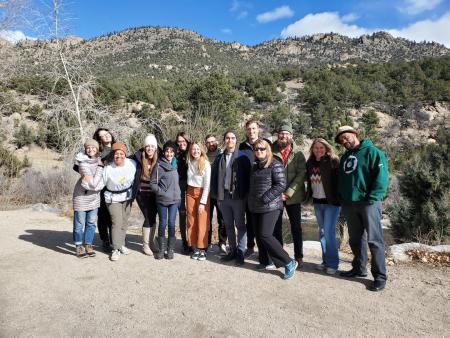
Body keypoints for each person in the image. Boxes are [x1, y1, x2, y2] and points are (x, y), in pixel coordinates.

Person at [335, 126, 389, 292]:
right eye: (341, 140)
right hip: (350, 204)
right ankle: (359, 268)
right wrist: (342, 197)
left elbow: (381, 178)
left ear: (355, 134)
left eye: (346, 137)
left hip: (369, 203)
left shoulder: (373, 152)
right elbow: (342, 180)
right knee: (356, 239)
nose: (344, 141)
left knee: (374, 240)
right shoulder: (345, 157)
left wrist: (372, 197)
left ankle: (380, 277)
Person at [248, 139, 298, 280]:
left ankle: (289, 262)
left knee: (265, 235)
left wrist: (265, 198)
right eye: (257, 149)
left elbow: (281, 184)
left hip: (271, 206)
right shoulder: (255, 166)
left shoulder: (275, 164)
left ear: (268, 150)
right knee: (259, 235)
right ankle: (264, 261)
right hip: (255, 206)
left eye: (262, 149)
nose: (259, 151)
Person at [211, 129, 251, 266]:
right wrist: (216, 196)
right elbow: (214, 178)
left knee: (240, 225)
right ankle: (232, 250)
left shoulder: (243, 157)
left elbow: (248, 179)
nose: (230, 140)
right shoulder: (219, 158)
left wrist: (244, 195)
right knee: (228, 225)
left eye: (233, 138)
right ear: (224, 140)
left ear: (236, 140)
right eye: (227, 138)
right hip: (224, 197)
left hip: (238, 197)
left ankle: (240, 252)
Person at [272, 121, 306, 268]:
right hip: (275, 196)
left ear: (291, 136)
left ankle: (299, 256)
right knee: (276, 226)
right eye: (281, 133)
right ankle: (280, 256)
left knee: (296, 227)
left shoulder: (298, 153)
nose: (284, 136)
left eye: (287, 133)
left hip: (293, 197)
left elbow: (301, 175)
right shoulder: (271, 150)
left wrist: (288, 193)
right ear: (278, 135)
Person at [306, 138, 341, 275]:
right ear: (312, 149)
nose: (318, 150)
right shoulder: (310, 162)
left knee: (329, 232)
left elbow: (339, 182)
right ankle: (326, 261)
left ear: (326, 148)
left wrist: (339, 199)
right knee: (322, 232)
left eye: (321, 147)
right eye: (316, 147)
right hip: (317, 202)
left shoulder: (333, 161)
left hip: (331, 203)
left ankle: (333, 263)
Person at [102, 142, 137, 261]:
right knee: (116, 222)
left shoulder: (132, 164)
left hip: (127, 197)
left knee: (124, 221)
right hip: (113, 198)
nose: (119, 156)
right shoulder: (108, 168)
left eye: (122, 153)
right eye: (116, 153)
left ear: (125, 154)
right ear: (113, 154)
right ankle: (115, 249)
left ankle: (121, 244)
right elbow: (101, 183)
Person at [72, 139, 104, 258]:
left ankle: (88, 244)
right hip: (81, 197)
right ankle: (79, 245)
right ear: (85, 149)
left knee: (91, 223)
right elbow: (94, 183)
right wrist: (101, 168)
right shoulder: (82, 163)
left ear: (97, 149)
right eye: (88, 148)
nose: (90, 150)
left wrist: (99, 183)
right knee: (79, 223)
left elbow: (101, 181)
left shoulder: (100, 161)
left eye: (93, 148)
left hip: (94, 197)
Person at [150, 141, 181, 260]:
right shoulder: (159, 166)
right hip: (162, 200)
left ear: (174, 153)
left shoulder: (175, 164)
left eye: (171, 151)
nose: (169, 153)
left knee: (172, 224)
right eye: (167, 151)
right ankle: (162, 249)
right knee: (163, 223)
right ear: (164, 152)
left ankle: (170, 249)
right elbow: (153, 183)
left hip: (174, 199)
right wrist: (161, 193)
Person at [131, 134, 159, 256]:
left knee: (153, 217)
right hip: (142, 193)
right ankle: (145, 245)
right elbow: (120, 158)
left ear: (155, 148)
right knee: (148, 217)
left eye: (152, 146)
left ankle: (151, 242)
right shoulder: (137, 157)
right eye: (147, 146)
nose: (149, 149)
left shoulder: (160, 158)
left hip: (155, 193)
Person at [186, 141, 211, 261]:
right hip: (190, 192)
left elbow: (207, 185)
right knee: (191, 220)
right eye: (193, 149)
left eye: (197, 149)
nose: (195, 151)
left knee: (202, 221)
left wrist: (203, 202)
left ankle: (202, 248)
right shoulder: (189, 162)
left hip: (201, 192)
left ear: (201, 150)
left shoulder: (205, 163)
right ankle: (194, 247)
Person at [238, 119, 260, 257]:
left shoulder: (264, 144)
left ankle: (264, 248)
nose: (251, 131)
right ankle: (250, 246)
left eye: (253, 128)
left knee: (261, 219)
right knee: (249, 219)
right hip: (246, 189)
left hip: (261, 188)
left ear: (258, 129)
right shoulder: (242, 146)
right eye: (249, 129)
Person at [92, 128, 116, 252]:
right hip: (102, 187)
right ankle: (105, 240)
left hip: (116, 187)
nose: (106, 136)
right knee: (103, 215)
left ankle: (115, 240)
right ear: (99, 139)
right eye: (102, 136)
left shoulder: (118, 147)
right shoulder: (98, 152)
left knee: (114, 215)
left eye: (107, 133)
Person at [205, 134, 227, 254]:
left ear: (217, 141)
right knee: (207, 219)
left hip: (220, 192)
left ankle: (222, 243)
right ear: (205, 144)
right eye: (208, 142)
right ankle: (207, 243)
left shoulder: (223, 154)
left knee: (222, 219)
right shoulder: (204, 156)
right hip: (207, 193)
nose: (211, 144)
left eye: (213, 141)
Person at [175, 132, 190, 253]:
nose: (181, 143)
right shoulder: (175, 153)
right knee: (182, 214)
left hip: (191, 186)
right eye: (179, 141)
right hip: (179, 186)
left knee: (191, 214)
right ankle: (185, 242)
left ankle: (192, 240)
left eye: (183, 140)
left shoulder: (193, 151)